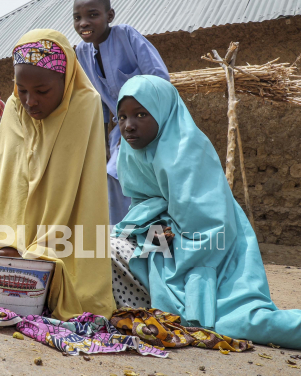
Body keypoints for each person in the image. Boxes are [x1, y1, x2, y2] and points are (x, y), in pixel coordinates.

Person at [111, 75, 301, 348]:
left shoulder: (186, 152)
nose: (129, 126)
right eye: (122, 117)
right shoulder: (132, 153)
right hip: (162, 245)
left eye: (141, 114)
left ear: (164, 113)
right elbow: (140, 210)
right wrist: (150, 232)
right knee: (93, 247)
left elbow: (209, 230)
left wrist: (162, 236)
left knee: (242, 321)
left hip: (211, 253)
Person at [0, 30, 116, 321]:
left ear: (66, 81)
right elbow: (7, 187)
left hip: (65, 241)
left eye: (42, 91)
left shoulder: (83, 105)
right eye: (21, 89)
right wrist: (7, 241)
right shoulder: (13, 107)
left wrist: (36, 251)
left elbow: (67, 190)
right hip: (11, 243)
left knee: (73, 292)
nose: (30, 101)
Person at [73, 0, 169, 225]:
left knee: (135, 178)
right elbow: (97, 100)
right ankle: (123, 241)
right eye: (77, 17)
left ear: (110, 16)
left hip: (153, 124)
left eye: (92, 15)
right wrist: (105, 141)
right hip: (120, 133)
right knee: (114, 177)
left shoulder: (126, 36)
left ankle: (144, 236)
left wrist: (145, 120)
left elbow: (158, 78)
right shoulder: (82, 53)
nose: (84, 22)